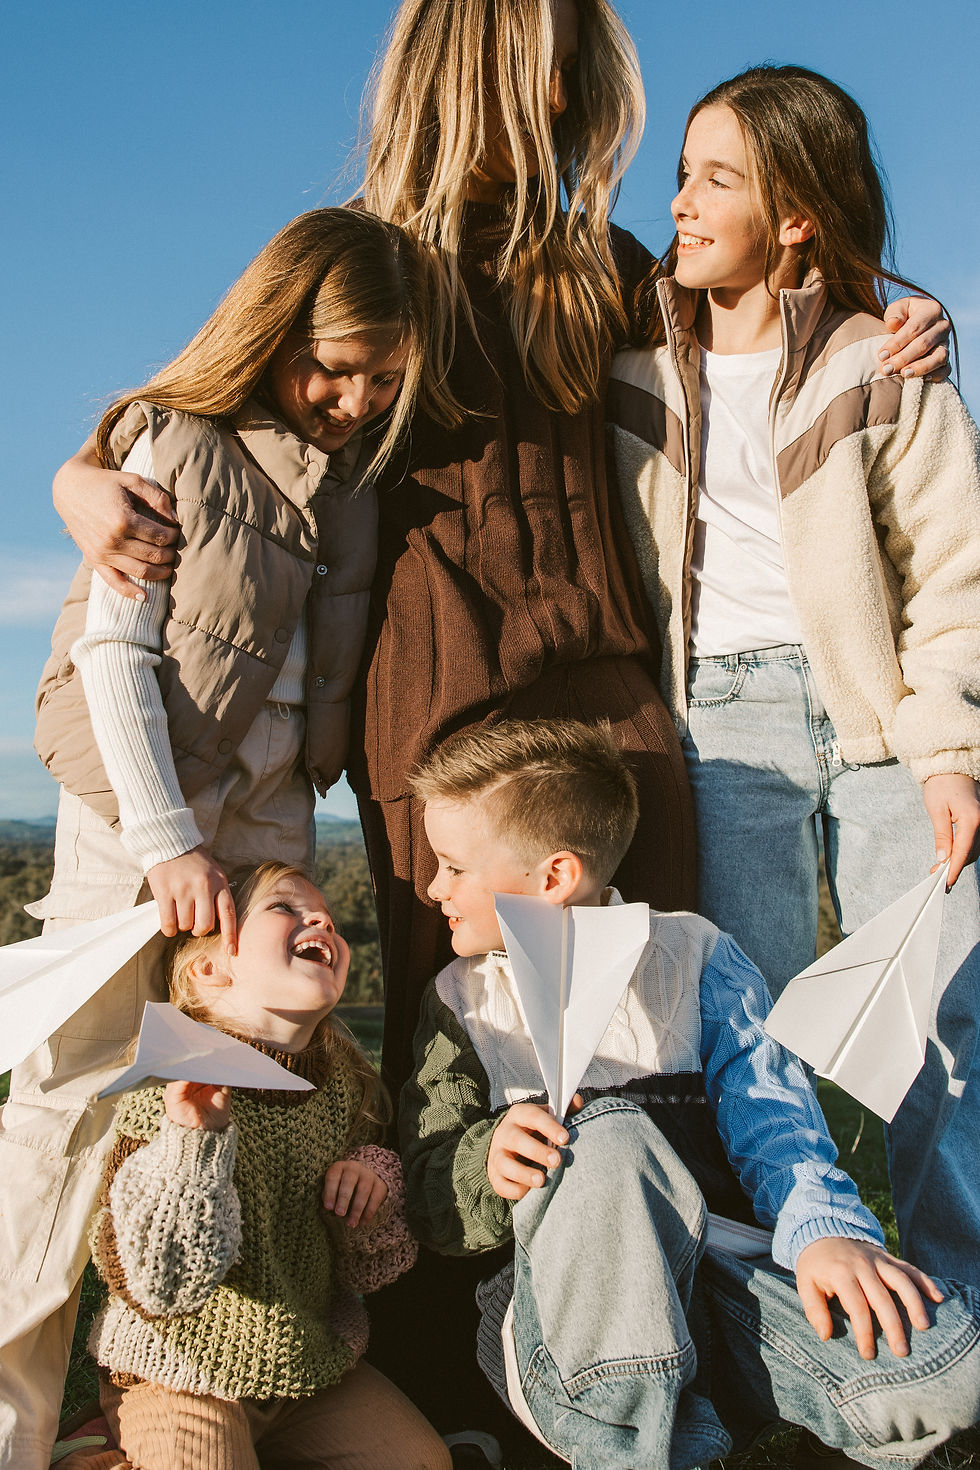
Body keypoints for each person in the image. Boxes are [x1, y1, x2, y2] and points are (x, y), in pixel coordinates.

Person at [47, 1, 950, 1104]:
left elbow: (754, 325)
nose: (564, 99)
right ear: (463, 68)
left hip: (614, 684)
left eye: (573, 73)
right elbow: (221, 402)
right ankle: (442, 1268)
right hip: (432, 690)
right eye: (544, 69)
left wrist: (891, 315)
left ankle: (669, 1259)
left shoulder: (605, 262)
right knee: (462, 1050)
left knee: (660, 1016)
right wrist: (80, 472)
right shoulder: (365, 258)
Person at [0, 206, 430, 1470]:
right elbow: (116, 660)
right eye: (333, 366)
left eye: (381, 380)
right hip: (139, 831)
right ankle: (17, 1432)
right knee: (70, 1119)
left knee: (225, 1116)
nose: (351, 399)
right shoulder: (173, 446)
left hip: (266, 832)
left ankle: (206, 1387)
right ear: (276, 325)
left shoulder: (343, 489)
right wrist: (163, 839)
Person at [605, 64, 980, 1285]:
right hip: (720, 725)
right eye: (679, 176)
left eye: (718, 178)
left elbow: (951, 573)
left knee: (941, 1026)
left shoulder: (885, 361)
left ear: (797, 213)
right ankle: (781, 1310)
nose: (681, 203)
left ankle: (959, 1306)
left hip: (878, 722)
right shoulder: (627, 373)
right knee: (745, 1032)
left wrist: (947, 749)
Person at [399, 718, 980, 1470]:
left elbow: (777, 1120)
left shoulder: (696, 954)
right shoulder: (461, 1000)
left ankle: (716, 1421)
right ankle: (640, 1449)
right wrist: (486, 1160)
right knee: (602, 1134)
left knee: (952, 1366)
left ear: (553, 876)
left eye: (452, 867)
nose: (432, 888)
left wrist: (826, 1230)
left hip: (731, 1290)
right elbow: (431, 1201)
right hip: (571, 1334)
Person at [55, 860, 450, 1470]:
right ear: (210, 968)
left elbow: (365, 1265)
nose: (320, 918)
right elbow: (163, 1288)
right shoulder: (168, 1086)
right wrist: (195, 1140)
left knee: (422, 1462)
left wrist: (370, 1183)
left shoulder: (341, 1084)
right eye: (284, 908)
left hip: (305, 1365)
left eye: (325, 916)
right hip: (181, 1372)